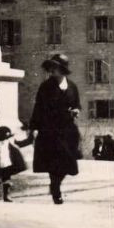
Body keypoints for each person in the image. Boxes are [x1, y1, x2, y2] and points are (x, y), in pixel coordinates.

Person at [26, 54, 81, 204]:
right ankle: (56, 188)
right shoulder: (46, 86)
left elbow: (77, 104)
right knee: (54, 161)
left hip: (68, 129)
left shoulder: (72, 86)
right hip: (50, 130)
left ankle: (55, 184)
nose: (51, 71)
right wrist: (34, 128)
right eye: (50, 68)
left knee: (68, 161)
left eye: (54, 68)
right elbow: (38, 108)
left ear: (62, 69)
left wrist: (76, 110)